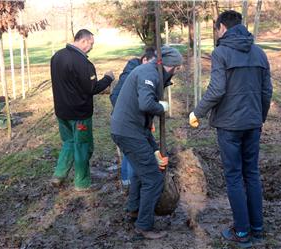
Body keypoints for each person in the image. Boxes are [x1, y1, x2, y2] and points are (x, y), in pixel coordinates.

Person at [189, 10, 272, 248]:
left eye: (216, 29)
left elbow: (217, 90)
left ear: (222, 28)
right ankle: (257, 228)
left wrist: (197, 112)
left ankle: (243, 232)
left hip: (229, 126)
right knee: (252, 174)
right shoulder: (260, 53)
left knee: (235, 177)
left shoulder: (221, 52)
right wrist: (260, 117)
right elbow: (267, 91)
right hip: (253, 124)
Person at [111, 46, 183, 239]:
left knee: (143, 170)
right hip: (129, 132)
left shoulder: (151, 71)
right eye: (178, 68)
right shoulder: (148, 74)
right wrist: (161, 106)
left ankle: (134, 209)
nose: (178, 71)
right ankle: (144, 225)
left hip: (135, 129)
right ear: (171, 67)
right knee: (153, 178)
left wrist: (154, 148)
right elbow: (146, 104)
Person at [50, 29, 115, 192]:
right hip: (79, 114)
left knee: (69, 142)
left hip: (61, 111)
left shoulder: (56, 56)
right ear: (84, 41)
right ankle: (82, 183)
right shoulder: (83, 63)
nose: (92, 47)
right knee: (83, 147)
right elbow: (92, 88)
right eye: (91, 43)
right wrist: (108, 78)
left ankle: (58, 175)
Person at [109, 47, 156, 187]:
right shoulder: (133, 73)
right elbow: (116, 98)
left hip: (134, 119)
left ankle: (127, 182)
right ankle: (130, 185)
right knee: (134, 152)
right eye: (152, 64)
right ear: (144, 60)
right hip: (127, 121)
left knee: (130, 152)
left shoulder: (143, 71)